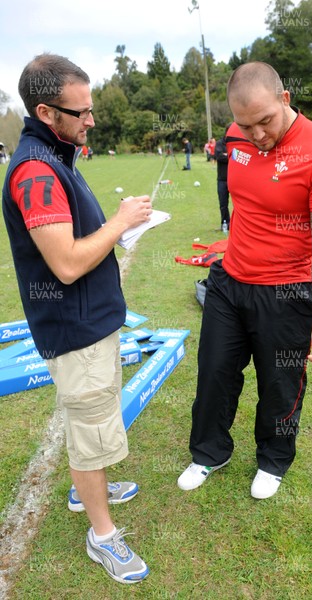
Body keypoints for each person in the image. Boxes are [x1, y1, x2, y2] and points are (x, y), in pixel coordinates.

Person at [2, 54, 152, 585]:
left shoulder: (58, 155)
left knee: (94, 419)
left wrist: (119, 226)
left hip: (94, 323)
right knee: (90, 426)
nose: (91, 119)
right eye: (81, 111)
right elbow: (65, 264)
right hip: (75, 330)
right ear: (46, 112)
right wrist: (119, 222)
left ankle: (89, 483)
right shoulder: (36, 170)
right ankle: (102, 535)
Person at [178, 61, 312, 500]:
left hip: (287, 292)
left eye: (265, 121)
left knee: (280, 384)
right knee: (214, 372)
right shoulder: (236, 136)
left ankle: (273, 459)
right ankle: (210, 452)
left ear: (285, 99)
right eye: (245, 123)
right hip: (229, 280)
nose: (256, 134)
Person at [214, 125, 231, 230]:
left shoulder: (235, 143)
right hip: (222, 179)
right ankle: (225, 223)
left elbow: (238, 156)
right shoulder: (220, 143)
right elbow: (219, 156)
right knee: (223, 204)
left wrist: (228, 155)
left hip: (234, 179)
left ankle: (237, 225)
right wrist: (230, 155)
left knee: (239, 204)